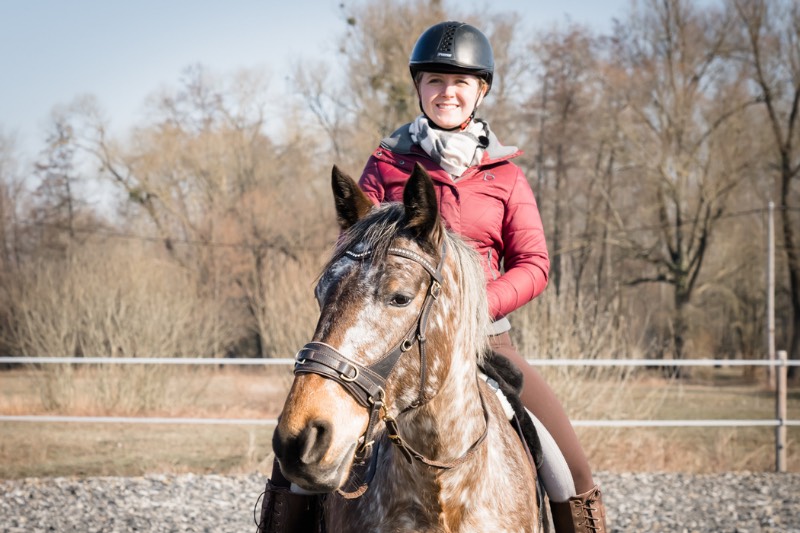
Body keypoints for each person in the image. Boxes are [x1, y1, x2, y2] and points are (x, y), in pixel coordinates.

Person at [258, 20, 607, 533]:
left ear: (480, 90)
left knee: (568, 466)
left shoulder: (506, 176)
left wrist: (471, 308)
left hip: (486, 341)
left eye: (461, 83)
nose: (448, 93)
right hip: (392, 344)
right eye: (436, 82)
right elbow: (354, 255)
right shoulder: (387, 164)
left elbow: (535, 264)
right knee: (294, 459)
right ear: (419, 88)